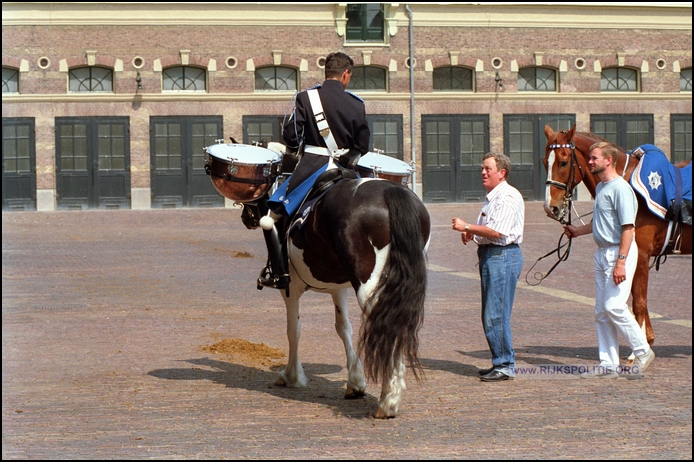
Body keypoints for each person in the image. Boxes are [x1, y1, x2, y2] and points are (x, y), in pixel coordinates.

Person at [257, 52, 370, 290]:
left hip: (313, 168)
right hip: (347, 170)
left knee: (272, 216)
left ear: (327, 72)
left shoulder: (306, 98)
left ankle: (278, 273)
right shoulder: (356, 103)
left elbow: (292, 137)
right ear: (346, 74)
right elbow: (362, 146)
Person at [563, 141, 655, 378]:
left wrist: (621, 262)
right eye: (591, 158)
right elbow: (599, 223)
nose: (590, 161)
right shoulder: (603, 188)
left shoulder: (621, 189)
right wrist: (576, 230)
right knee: (601, 311)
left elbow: (628, 229)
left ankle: (643, 350)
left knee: (613, 306)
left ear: (608, 160)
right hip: (602, 253)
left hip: (619, 251)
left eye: (594, 158)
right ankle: (608, 364)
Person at [452, 152, 524, 382]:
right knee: (491, 313)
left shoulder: (507, 197)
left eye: (488, 169)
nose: (483, 172)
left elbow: (497, 232)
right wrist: (471, 234)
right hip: (492, 256)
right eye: (482, 168)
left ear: (501, 173)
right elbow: (488, 230)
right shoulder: (493, 197)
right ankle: (500, 360)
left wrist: (468, 226)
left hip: (502, 257)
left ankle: (505, 365)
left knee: (496, 313)